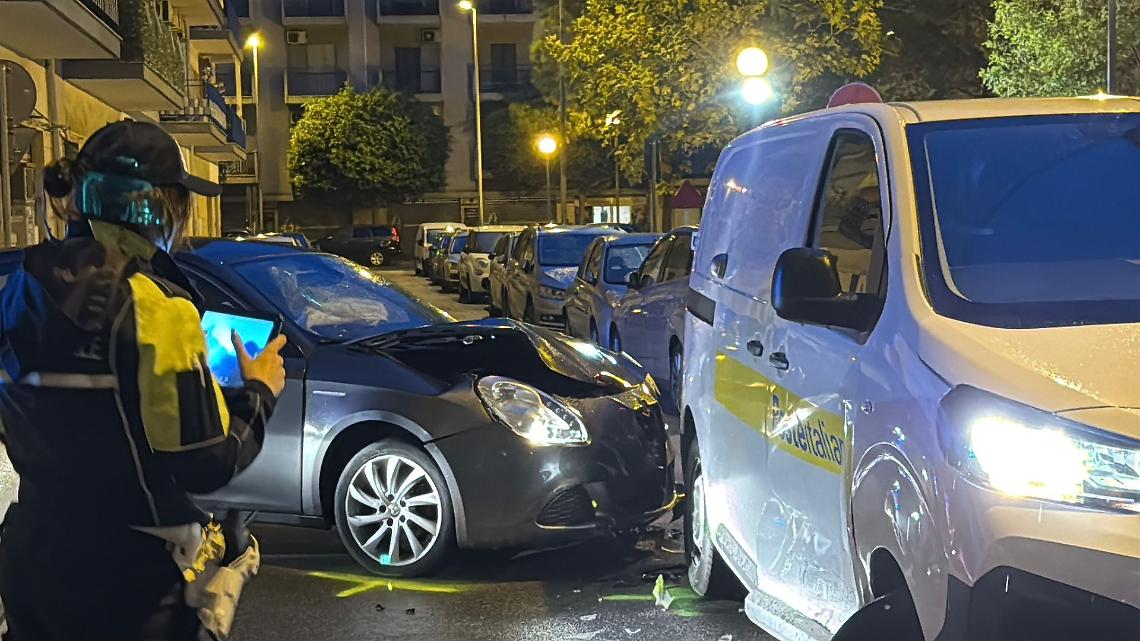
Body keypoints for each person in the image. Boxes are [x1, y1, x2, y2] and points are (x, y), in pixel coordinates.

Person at [0, 120, 287, 641]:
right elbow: (206, 462)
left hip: (32, 559)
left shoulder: (18, 288)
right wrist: (259, 393)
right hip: (126, 582)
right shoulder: (158, 310)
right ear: (163, 208)